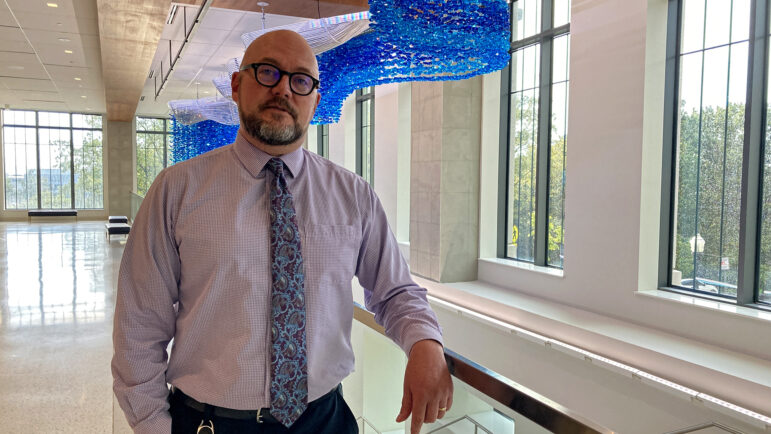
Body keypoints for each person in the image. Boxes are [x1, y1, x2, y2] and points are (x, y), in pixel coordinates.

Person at [112, 29, 453, 434]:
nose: (284, 90)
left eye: (301, 80)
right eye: (268, 72)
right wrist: (152, 426)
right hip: (211, 424)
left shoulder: (353, 194)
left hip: (325, 421)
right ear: (237, 86)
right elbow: (139, 324)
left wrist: (426, 344)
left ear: (316, 101)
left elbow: (395, 291)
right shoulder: (176, 190)